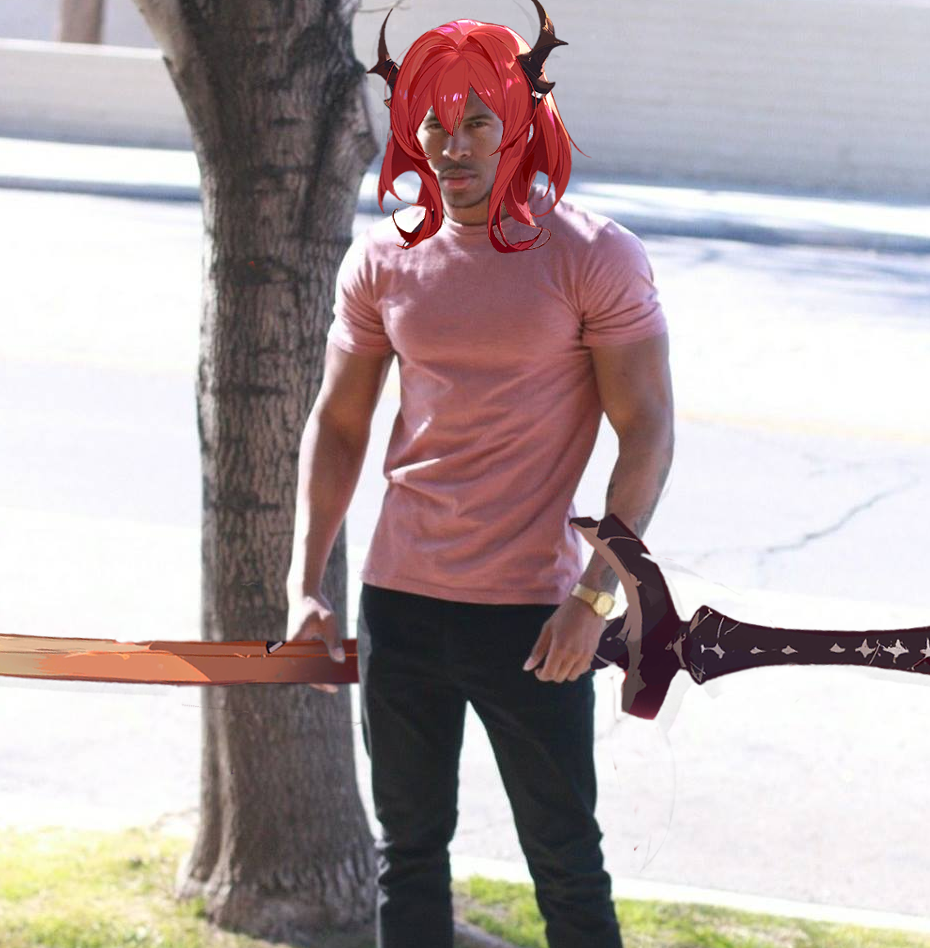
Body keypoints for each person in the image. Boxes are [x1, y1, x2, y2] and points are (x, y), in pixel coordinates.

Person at [287, 5, 674, 946]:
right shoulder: (384, 258)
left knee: (566, 864)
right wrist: (305, 587)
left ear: (520, 122)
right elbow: (339, 425)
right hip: (401, 602)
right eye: (433, 124)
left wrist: (595, 599)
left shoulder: (593, 255)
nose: (451, 147)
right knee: (408, 854)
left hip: (536, 616)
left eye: (476, 124)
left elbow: (648, 434)